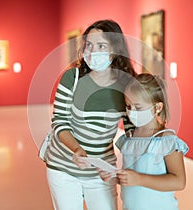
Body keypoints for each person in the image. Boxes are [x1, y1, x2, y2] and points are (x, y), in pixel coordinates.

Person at [45, 19, 137, 210]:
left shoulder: (126, 85)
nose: (93, 51)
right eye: (89, 45)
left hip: (102, 171)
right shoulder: (73, 78)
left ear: (115, 49)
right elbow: (60, 121)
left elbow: (132, 131)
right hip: (64, 168)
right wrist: (77, 149)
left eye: (101, 45)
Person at [100, 73, 189, 210]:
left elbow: (179, 181)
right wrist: (114, 177)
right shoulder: (128, 139)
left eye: (138, 107)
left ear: (158, 107)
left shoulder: (166, 141)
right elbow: (131, 176)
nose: (131, 112)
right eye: (128, 107)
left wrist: (140, 179)